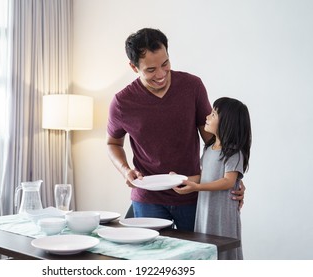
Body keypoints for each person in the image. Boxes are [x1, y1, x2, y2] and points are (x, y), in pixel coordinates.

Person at [106, 27, 245, 231]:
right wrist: (125, 170)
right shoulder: (122, 102)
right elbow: (112, 143)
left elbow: (215, 142)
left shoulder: (192, 86)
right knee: (152, 261)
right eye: (151, 70)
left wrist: (232, 179)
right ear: (134, 67)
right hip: (148, 199)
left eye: (165, 64)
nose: (161, 74)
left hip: (193, 193)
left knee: (199, 259)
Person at [173, 97, 251, 259]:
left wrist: (196, 188)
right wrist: (181, 179)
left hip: (223, 213)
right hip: (205, 210)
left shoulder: (234, 153)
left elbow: (227, 181)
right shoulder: (209, 149)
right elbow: (204, 176)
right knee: (205, 248)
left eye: (213, 114)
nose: (207, 117)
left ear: (227, 123)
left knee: (223, 250)